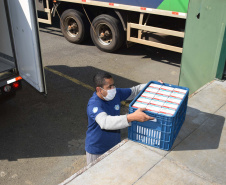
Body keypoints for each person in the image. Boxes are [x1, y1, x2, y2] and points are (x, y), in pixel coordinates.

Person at [85, 72, 161, 165]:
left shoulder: (116, 94)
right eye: (109, 87)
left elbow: (135, 91)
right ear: (99, 89)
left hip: (114, 146)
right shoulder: (94, 104)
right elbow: (105, 122)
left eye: (113, 85)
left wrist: (153, 85)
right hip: (97, 150)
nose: (113, 89)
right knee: (96, 177)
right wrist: (131, 117)